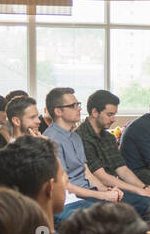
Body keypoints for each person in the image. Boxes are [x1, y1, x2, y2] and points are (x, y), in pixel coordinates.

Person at [76, 89, 150, 221]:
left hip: (115, 188)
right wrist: (140, 191)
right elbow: (102, 177)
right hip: (98, 192)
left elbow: (122, 169)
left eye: (114, 114)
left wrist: (145, 188)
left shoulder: (108, 137)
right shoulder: (80, 137)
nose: (113, 119)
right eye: (109, 114)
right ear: (95, 112)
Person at [44, 87, 122, 222]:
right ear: (58, 111)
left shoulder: (75, 137)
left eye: (78, 104)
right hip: (69, 199)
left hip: (86, 193)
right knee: (110, 219)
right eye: (73, 106)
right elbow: (63, 185)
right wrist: (101, 195)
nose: (79, 108)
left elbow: (87, 173)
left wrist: (107, 191)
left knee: (124, 211)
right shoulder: (50, 140)